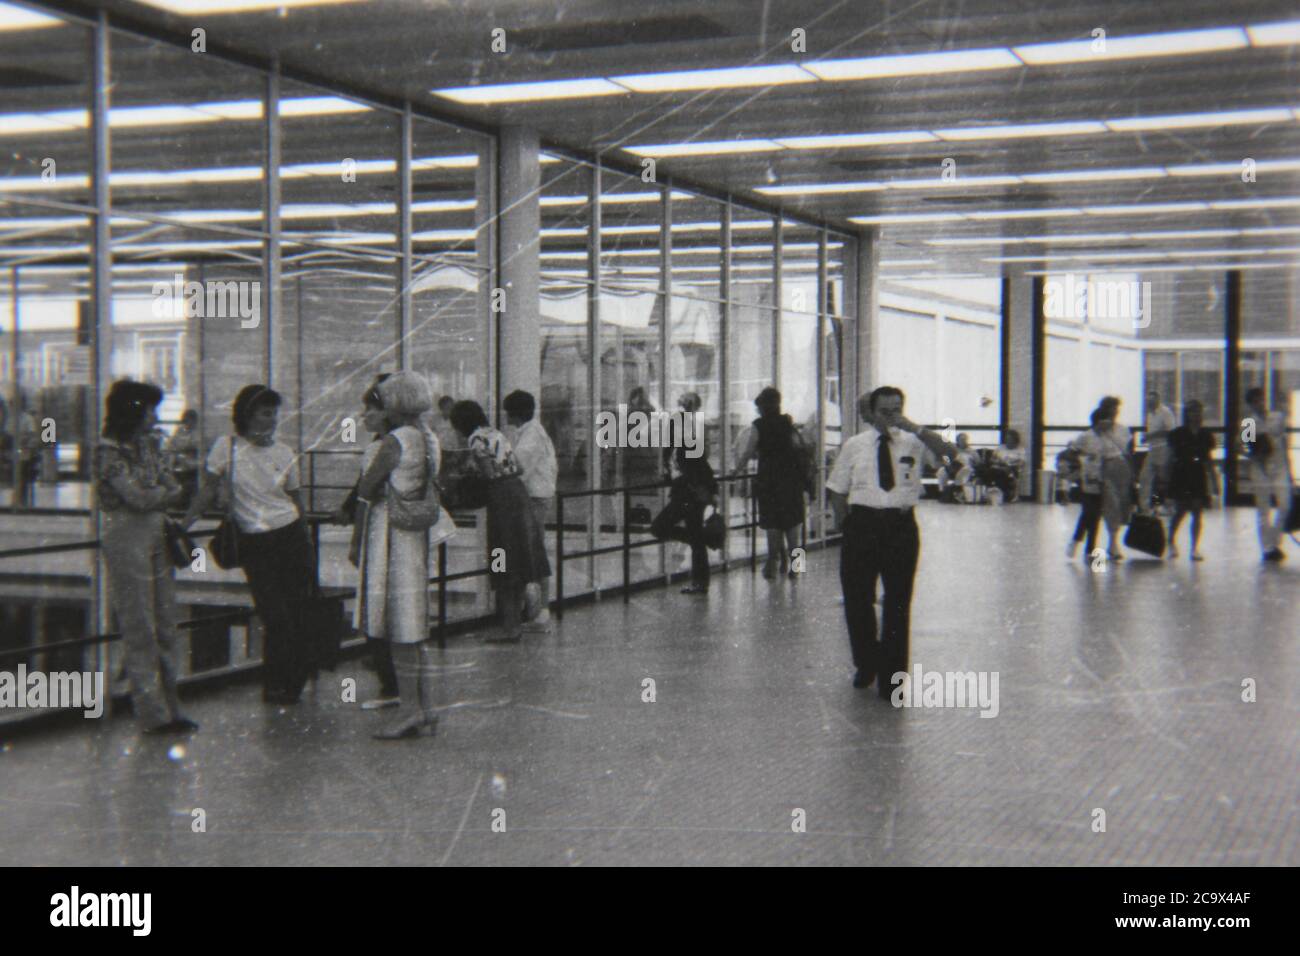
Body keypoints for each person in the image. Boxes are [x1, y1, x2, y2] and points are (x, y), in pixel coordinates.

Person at [182, 385, 319, 705]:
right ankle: (276, 683)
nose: (271, 420)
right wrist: (184, 525)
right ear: (246, 415)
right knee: (274, 614)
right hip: (255, 542)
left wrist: (308, 539)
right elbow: (205, 491)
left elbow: (296, 500)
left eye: (274, 413)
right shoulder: (226, 448)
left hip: (290, 537)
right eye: (264, 413)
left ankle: (290, 684)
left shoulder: (284, 452)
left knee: (296, 611)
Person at [827, 387, 959, 696]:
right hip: (862, 524)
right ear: (871, 413)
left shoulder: (914, 443)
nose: (892, 416)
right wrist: (845, 523)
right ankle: (866, 662)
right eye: (886, 411)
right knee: (858, 599)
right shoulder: (854, 446)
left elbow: (950, 455)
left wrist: (916, 428)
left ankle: (892, 677)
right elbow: (837, 488)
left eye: (897, 409)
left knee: (898, 602)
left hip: (900, 526)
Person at [95, 380, 196, 734]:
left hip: (149, 531)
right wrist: (161, 494)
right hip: (127, 534)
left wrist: (155, 494)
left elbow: (160, 490)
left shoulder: (145, 446)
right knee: (140, 623)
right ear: (133, 410)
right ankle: (153, 712)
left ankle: (172, 707)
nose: (154, 416)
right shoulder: (107, 452)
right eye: (150, 408)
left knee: (165, 620)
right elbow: (145, 496)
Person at [351, 373, 441, 739]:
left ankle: (409, 709)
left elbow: (368, 485)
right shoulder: (427, 438)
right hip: (414, 535)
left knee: (398, 626)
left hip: (388, 534)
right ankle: (423, 706)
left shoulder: (394, 441)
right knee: (414, 626)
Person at [449, 399, 551, 642]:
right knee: (517, 560)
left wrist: (464, 471)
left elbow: (488, 473)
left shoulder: (475, 439)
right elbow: (514, 468)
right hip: (517, 494)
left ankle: (510, 626)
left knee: (501, 560)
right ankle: (514, 621)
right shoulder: (497, 434)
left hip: (501, 502)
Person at [338, 374, 399, 711]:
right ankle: (396, 681)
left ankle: (389, 683)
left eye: (370, 409)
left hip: (379, 532)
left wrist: (355, 541)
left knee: (373, 607)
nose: (364, 415)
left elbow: (366, 494)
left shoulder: (380, 448)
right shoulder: (417, 441)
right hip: (402, 536)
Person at [735, 386, 808, 580]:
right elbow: (800, 449)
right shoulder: (788, 423)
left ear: (763, 407)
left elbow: (748, 452)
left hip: (769, 480)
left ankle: (772, 564)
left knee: (773, 525)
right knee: (794, 526)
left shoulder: (759, 425)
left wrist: (737, 471)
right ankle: (797, 567)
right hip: (792, 480)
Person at [651, 391, 717, 594]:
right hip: (698, 486)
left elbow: (670, 451)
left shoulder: (682, 425)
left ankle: (797, 566)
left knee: (661, 527)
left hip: (689, 488)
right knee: (794, 533)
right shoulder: (698, 426)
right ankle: (796, 568)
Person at [504, 389, 558, 633]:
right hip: (536, 498)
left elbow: (518, 467)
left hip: (533, 499)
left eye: (508, 412)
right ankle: (535, 607)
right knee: (533, 550)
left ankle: (539, 608)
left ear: (515, 413)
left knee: (532, 551)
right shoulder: (532, 432)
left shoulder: (531, 435)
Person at [1239, 387, 1293, 562]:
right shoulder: (1250, 423)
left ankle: (1274, 542)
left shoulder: (1276, 418)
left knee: (1285, 505)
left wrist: (1290, 469)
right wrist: (1254, 456)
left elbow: (1284, 442)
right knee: (1264, 509)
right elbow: (1240, 447)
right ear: (1251, 404)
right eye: (1255, 401)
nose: (1260, 403)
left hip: (1279, 467)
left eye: (1261, 399)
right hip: (1260, 469)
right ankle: (1268, 548)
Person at [1166, 400, 1218, 561]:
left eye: (1198, 411)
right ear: (1186, 414)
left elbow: (1209, 460)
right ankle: (1171, 540)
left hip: (1198, 474)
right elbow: (1170, 457)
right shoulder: (1177, 433)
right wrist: (1164, 479)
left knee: (1197, 512)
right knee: (1180, 511)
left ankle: (1195, 548)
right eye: (1192, 411)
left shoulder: (1206, 435)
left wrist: (1214, 481)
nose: (1195, 415)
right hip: (1181, 474)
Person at [1138, 390, 1176, 513]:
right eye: (1148, 401)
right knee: (1145, 477)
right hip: (1153, 449)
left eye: (1152, 400)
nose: (1149, 403)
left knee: (1164, 478)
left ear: (1158, 400)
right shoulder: (1150, 414)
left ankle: (1169, 506)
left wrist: (1151, 436)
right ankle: (1145, 507)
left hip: (1164, 448)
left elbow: (1170, 431)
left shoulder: (1165, 412)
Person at [165, 409, 203, 507]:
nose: (187, 423)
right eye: (185, 420)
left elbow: (196, 445)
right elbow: (172, 445)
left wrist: (183, 448)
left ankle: (187, 502)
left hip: (192, 466)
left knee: (190, 485)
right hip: (179, 465)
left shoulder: (198, 433)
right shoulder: (180, 431)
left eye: (189, 420)